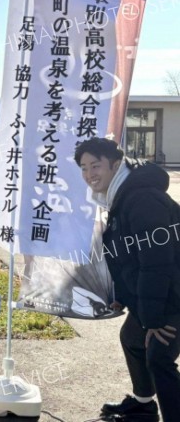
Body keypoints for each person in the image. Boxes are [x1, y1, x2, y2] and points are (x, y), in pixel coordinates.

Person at [74, 137, 180, 421]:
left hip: (174, 292)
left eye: (95, 165)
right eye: (83, 168)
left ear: (115, 164)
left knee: (158, 355)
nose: (89, 174)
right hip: (164, 291)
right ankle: (143, 404)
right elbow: (124, 258)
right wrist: (122, 295)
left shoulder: (141, 198)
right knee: (132, 337)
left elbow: (156, 262)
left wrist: (153, 319)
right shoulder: (120, 198)